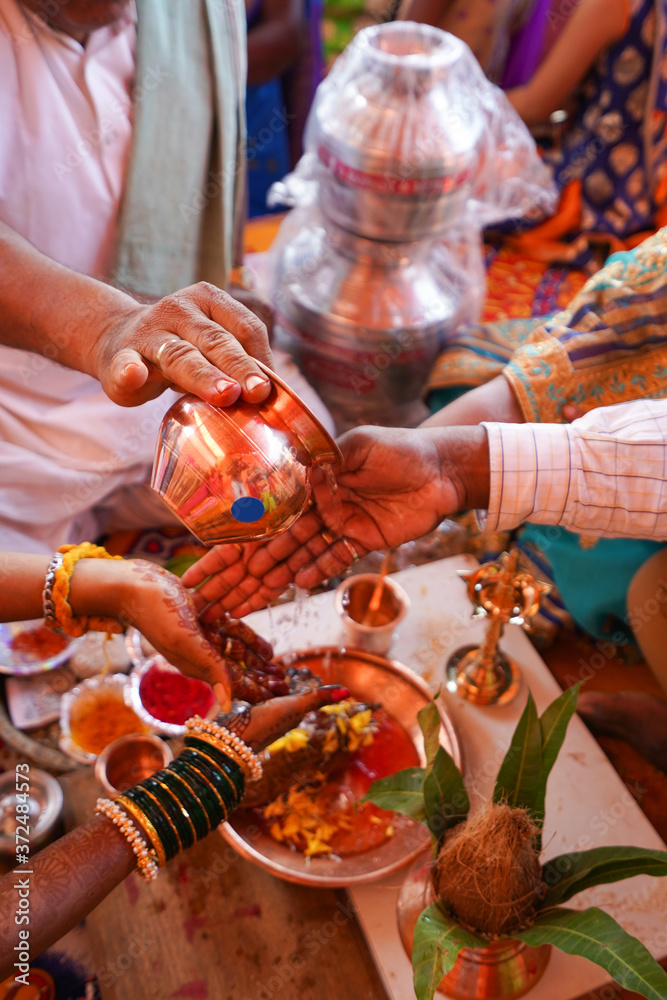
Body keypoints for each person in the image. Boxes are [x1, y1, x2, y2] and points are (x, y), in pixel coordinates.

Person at [0, 0, 331, 554]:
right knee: (34, 605)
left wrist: (202, 311)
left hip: (161, 394)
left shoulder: (191, 11)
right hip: (12, 420)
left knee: (308, 488)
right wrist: (110, 327)